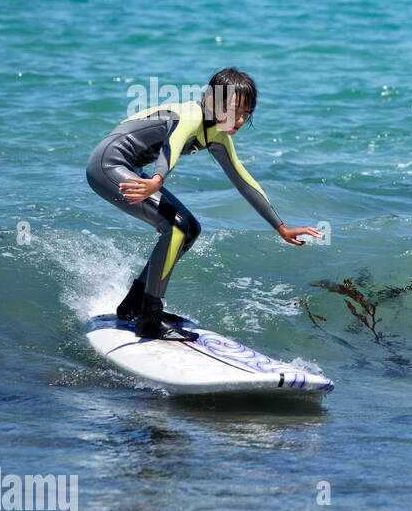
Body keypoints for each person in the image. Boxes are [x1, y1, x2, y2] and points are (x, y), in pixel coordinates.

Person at [85, 68, 322, 340]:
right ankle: (150, 316)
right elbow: (171, 145)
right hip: (108, 165)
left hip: (130, 170)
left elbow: (243, 181)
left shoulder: (217, 135)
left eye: (246, 113)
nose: (240, 119)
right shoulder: (192, 115)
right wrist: (158, 178)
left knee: (190, 229)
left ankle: (134, 305)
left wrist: (281, 227)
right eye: (234, 110)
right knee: (175, 226)